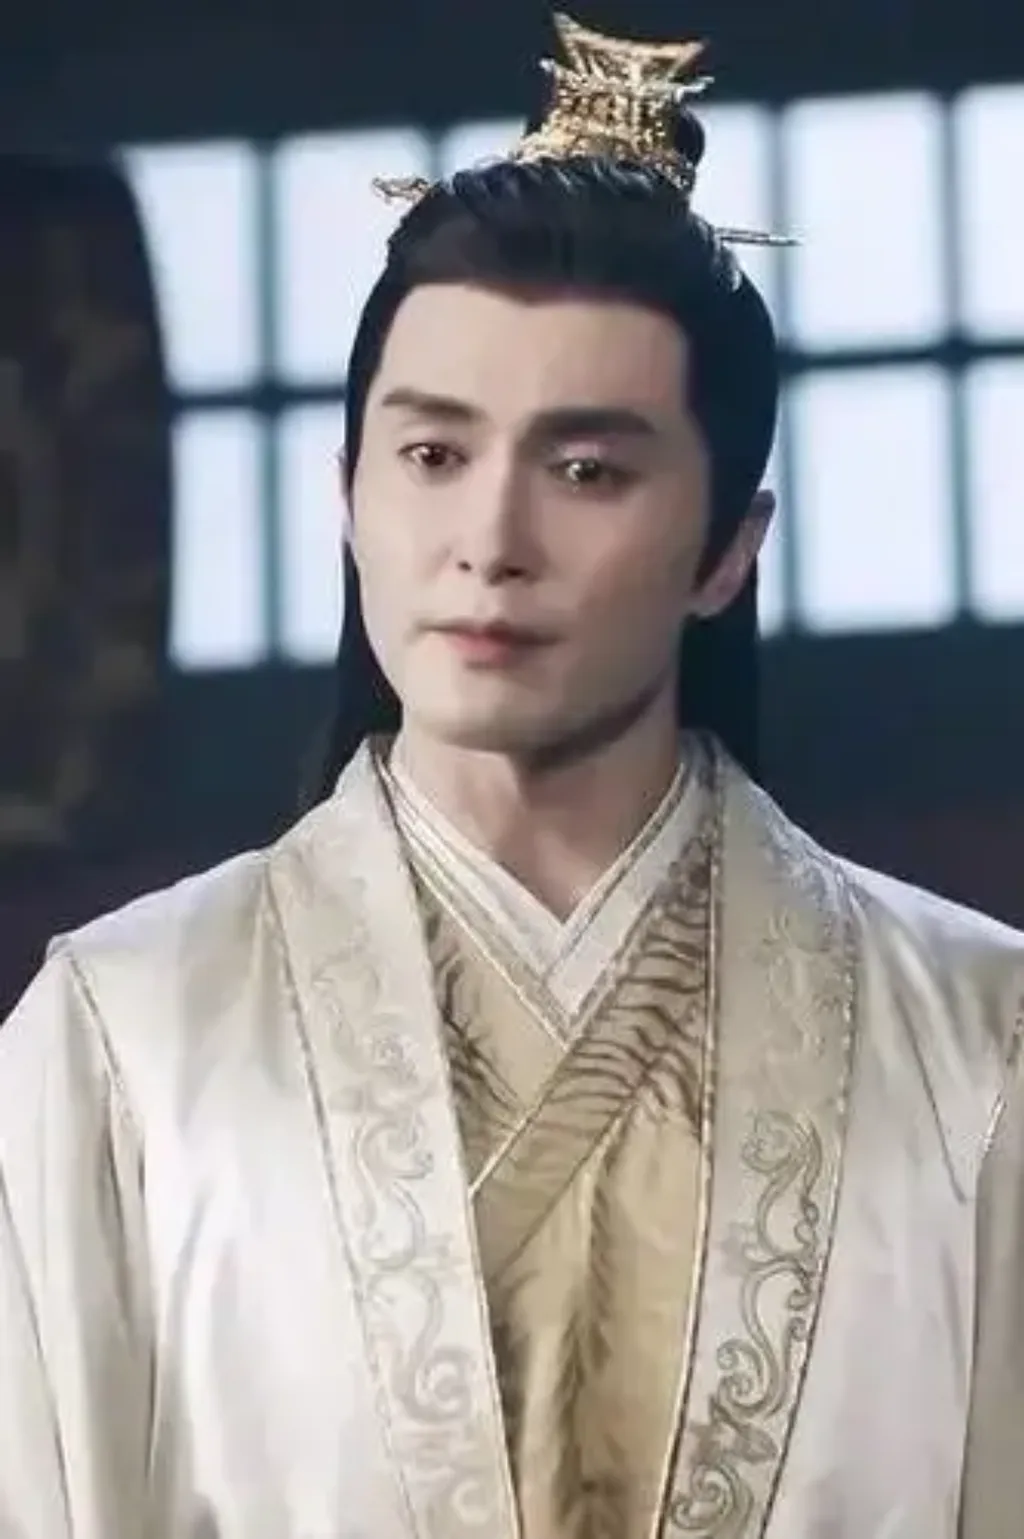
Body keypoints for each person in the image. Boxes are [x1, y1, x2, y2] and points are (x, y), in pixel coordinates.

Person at [0, 12, 1021, 1538]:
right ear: (348, 493)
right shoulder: (124, 1036)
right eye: (432, 455)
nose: (490, 540)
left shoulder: (980, 1040)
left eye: (587, 468)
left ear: (729, 547)